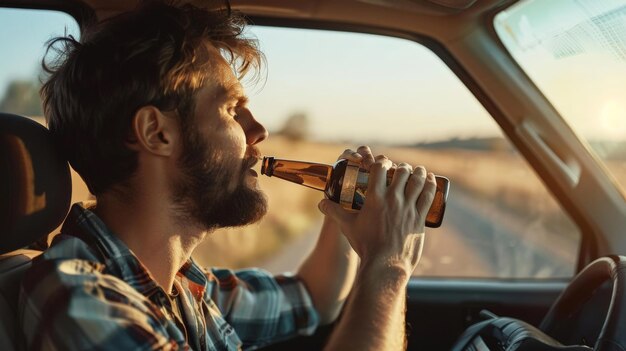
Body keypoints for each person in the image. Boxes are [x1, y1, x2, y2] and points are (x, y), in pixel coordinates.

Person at [19, 1, 437, 350]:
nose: (258, 130)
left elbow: (315, 298)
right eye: (231, 109)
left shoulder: (182, 287)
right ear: (156, 133)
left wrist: (345, 204)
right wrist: (390, 265)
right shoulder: (83, 302)